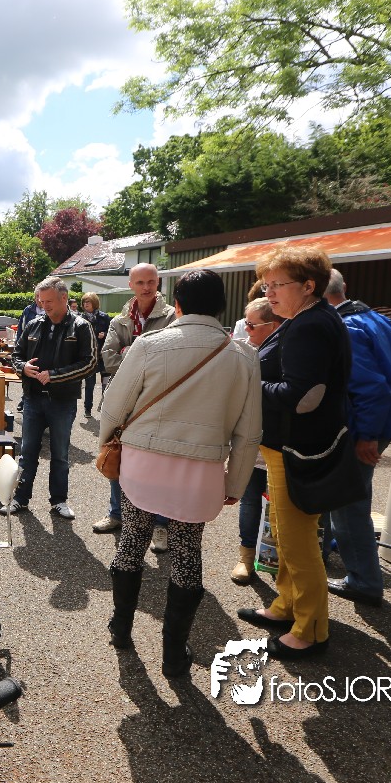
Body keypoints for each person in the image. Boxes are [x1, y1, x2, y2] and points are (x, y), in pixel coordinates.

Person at [100, 269, 261, 677]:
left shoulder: (149, 344)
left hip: (142, 466)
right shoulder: (243, 355)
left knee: (131, 541)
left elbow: (115, 406)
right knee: (187, 552)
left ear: (177, 303)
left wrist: (106, 446)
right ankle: (173, 654)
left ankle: (121, 628)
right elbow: (248, 433)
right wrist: (236, 482)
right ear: (222, 305)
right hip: (201, 472)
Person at [238, 247, 350, 660]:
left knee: (298, 540)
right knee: (284, 533)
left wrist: (247, 381)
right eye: (265, 285)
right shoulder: (305, 320)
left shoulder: (310, 326)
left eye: (276, 285)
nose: (267, 293)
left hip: (297, 449)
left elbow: (302, 397)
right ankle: (286, 605)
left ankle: (311, 629)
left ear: (308, 285)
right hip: (286, 447)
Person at [322, 269, 391, 606]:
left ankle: (363, 581)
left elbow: (371, 388)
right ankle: (341, 559)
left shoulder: (346, 327)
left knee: (348, 506)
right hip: (380, 424)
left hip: (363, 428)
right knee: (347, 499)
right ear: (344, 288)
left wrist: (366, 434)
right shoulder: (375, 319)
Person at [2, 277, 97, 520]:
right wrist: (23, 368)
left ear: (64, 298)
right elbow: (16, 355)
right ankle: (20, 498)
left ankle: (59, 501)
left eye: (49, 301)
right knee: (28, 452)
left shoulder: (81, 326)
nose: (44, 306)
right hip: (33, 399)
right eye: (41, 301)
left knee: (60, 454)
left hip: (62, 401)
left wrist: (55, 375)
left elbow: (90, 363)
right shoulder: (33, 324)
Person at [93, 263, 176, 543]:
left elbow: (168, 361)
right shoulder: (120, 320)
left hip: (157, 401)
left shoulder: (171, 318)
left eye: (151, 281)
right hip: (125, 401)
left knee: (159, 463)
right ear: (131, 285)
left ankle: (160, 524)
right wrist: (143, 357)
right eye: (140, 282)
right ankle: (116, 513)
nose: (146, 287)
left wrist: (130, 352)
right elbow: (108, 358)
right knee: (116, 455)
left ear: (158, 282)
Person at [231, 296, 282, 584]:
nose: (246, 329)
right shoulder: (249, 349)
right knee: (249, 499)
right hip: (252, 439)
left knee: (279, 505)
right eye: (246, 324)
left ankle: (277, 561)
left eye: (251, 325)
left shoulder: (284, 349)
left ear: (272, 325)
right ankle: (246, 557)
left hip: (278, 441)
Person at [79, 292, 110, 419]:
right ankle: (87, 409)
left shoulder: (104, 317)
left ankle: (105, 408)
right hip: (89, 357)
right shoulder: (80, 318)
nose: (85, 304)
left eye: (88, 302)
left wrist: (105, 334)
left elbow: (112, 333)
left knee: (106, 384)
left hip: (103, 357)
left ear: (94, 303)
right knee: (89, 385)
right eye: (84, 302)